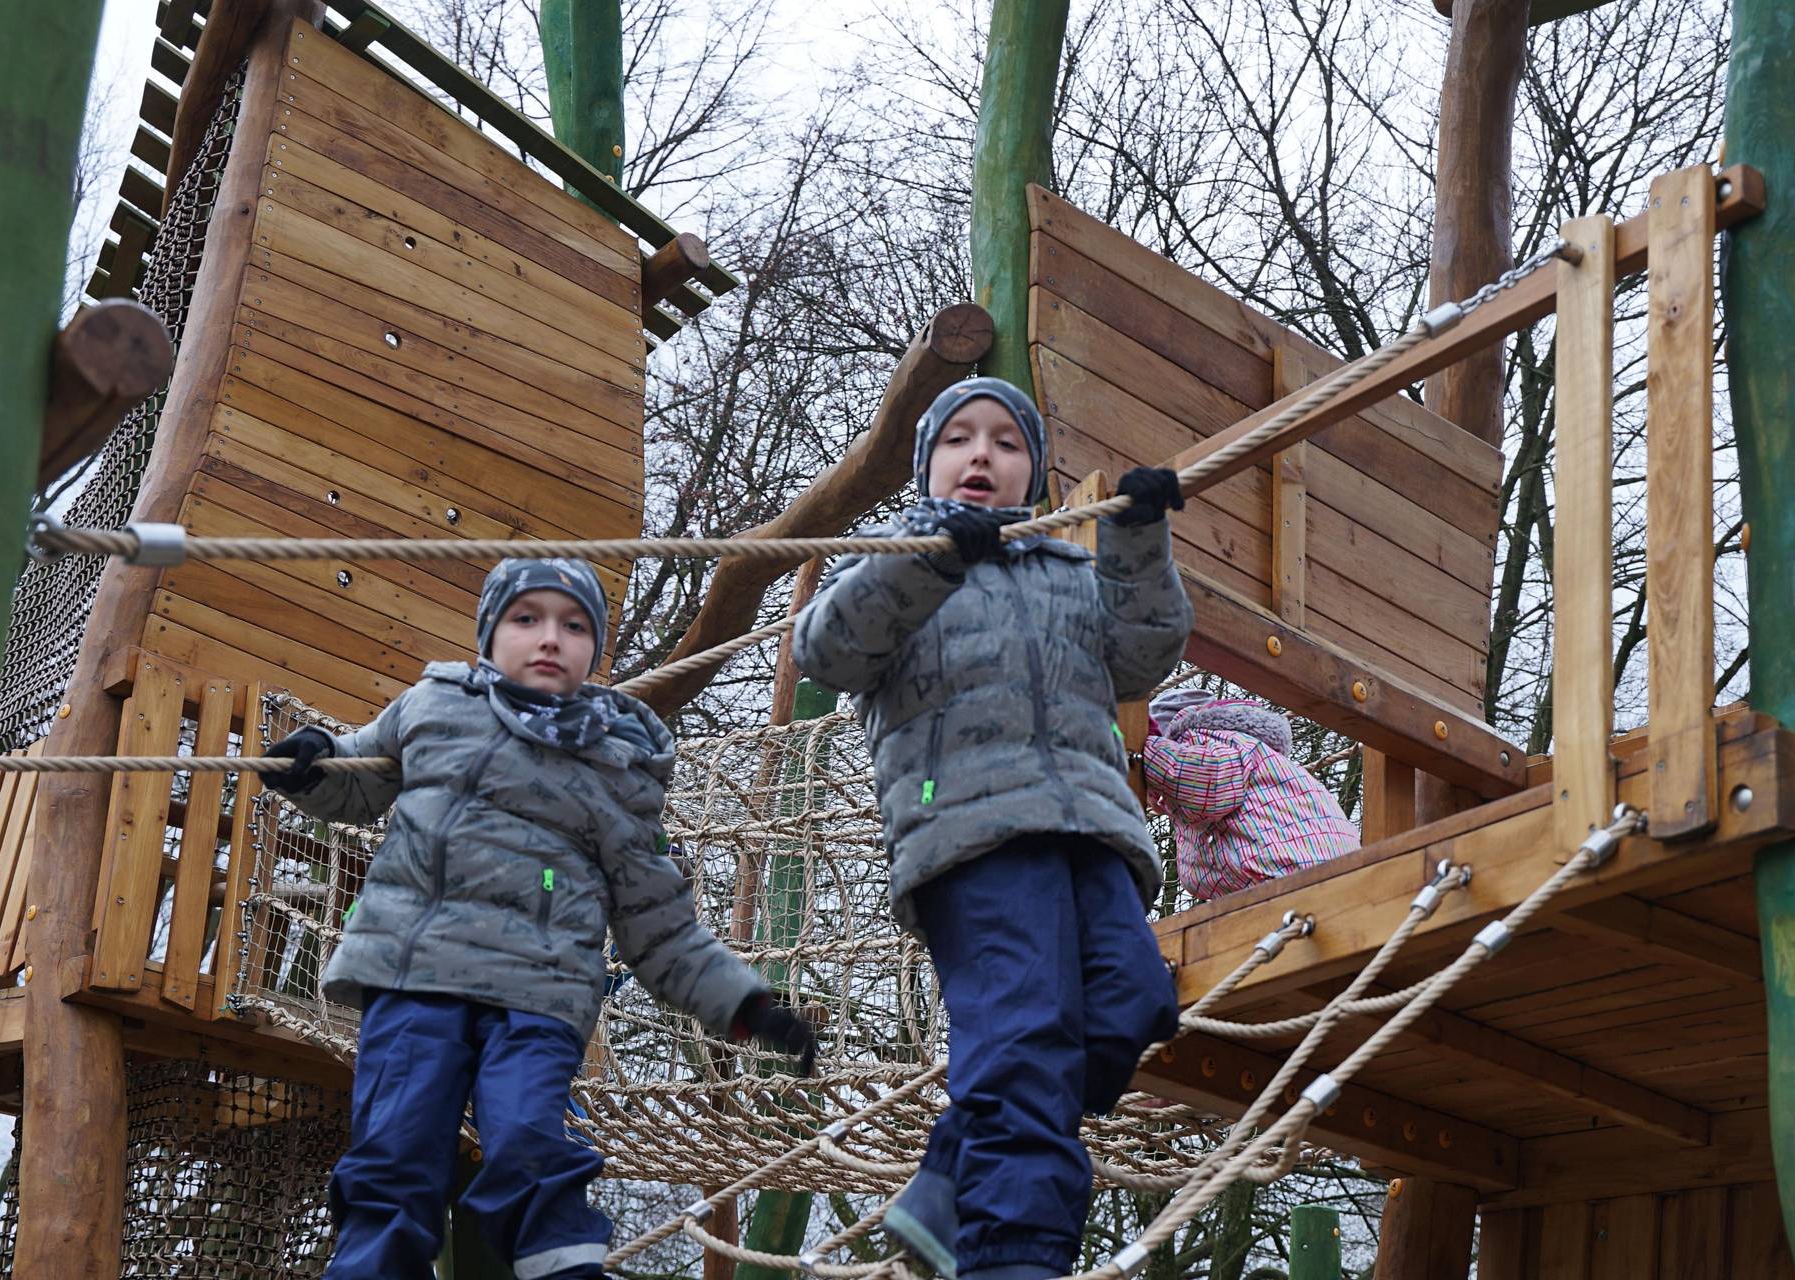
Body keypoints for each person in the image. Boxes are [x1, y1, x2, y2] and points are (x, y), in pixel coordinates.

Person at [262, 558, 819, 1280]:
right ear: (490, 634)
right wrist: (314, 762)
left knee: (528, 1142)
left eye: (575, 625)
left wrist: (747, 1007)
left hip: (536, 996)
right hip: (413, 975)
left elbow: (660, 927)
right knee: (394, 1150)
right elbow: (360, 779)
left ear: (595, 649)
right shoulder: (435, 704)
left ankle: (563, 1270)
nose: (550, 638)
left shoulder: (618, 762)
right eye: (527, 619)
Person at [791, 376, 1191, 1280]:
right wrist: (930, 557)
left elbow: (1145, 655)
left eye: (1006, 444)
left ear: (1033, 475)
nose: (982, 456)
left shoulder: (1072, 571)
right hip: (972, 837)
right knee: (1024, 1037)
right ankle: (1012, 1254)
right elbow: (827, 650)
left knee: (1133, 1001)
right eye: (960, 440)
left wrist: (1138, 537)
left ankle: (947, 1175)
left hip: (1092, 830)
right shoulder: (899, 561)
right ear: (929, 464)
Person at [1141, 688, 1361, 902]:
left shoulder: (1209, 741)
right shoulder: (1263, 760)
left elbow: (1203, 780)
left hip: (1294, 872)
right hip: (1341, 870)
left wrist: (1144, 751)